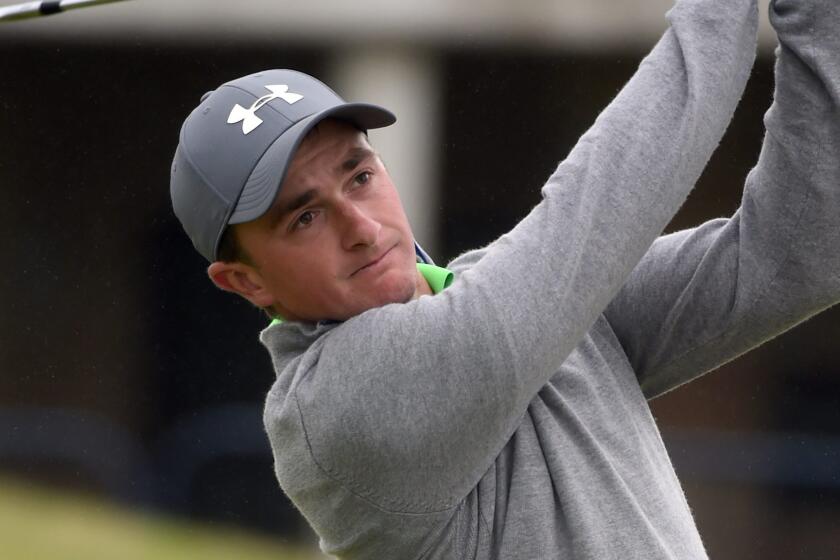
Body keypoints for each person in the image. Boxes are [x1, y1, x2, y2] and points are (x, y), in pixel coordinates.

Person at [169, 0, 840, 557]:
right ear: (245, 282)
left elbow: (802, 250)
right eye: (305, 217)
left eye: (361, 176)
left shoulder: (520, 302)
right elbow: (602, 204)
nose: (362, 227)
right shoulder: (336, 411)